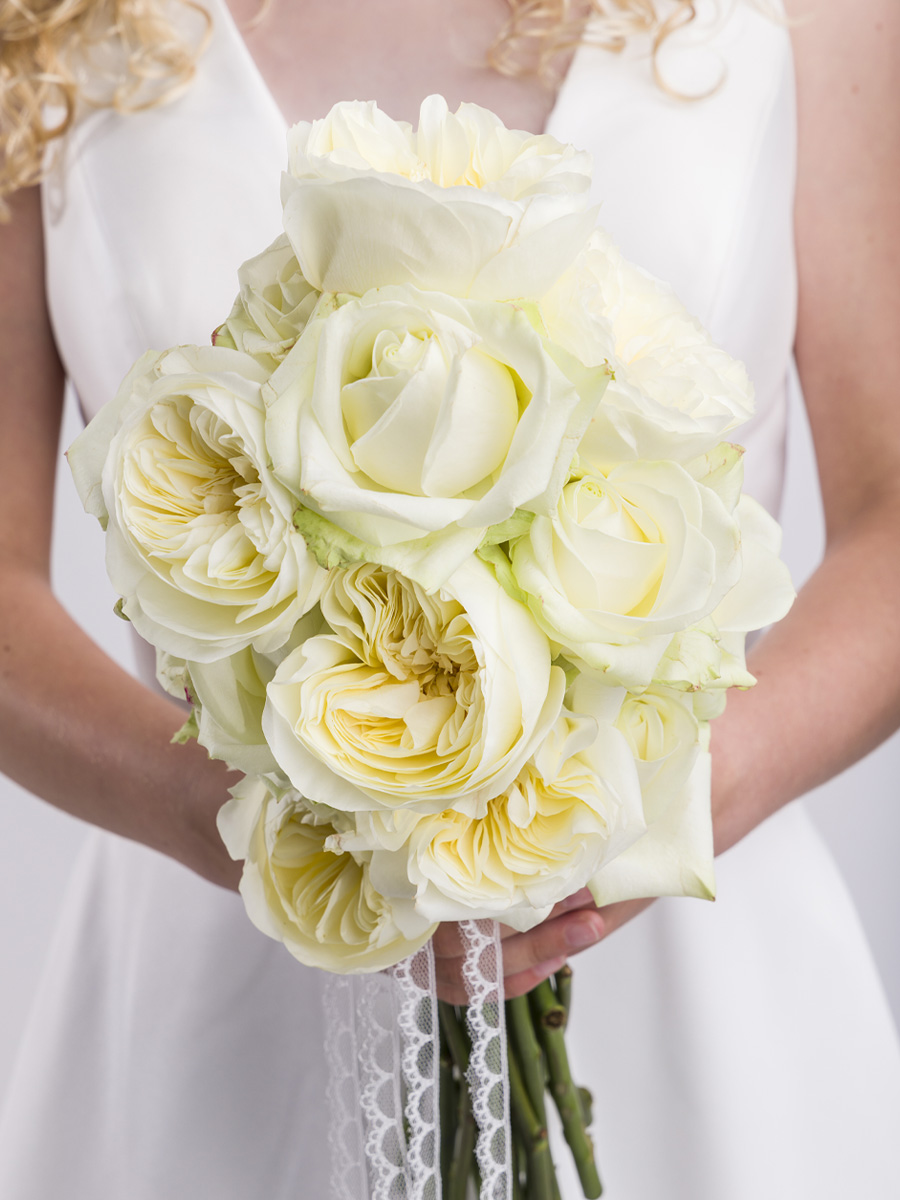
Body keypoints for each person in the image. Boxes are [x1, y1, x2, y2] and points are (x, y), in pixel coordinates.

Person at [1, 0, 899, 1196]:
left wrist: (620, 823)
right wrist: (295, 849)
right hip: (204, 984)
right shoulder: (43, 27)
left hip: (703, 964)